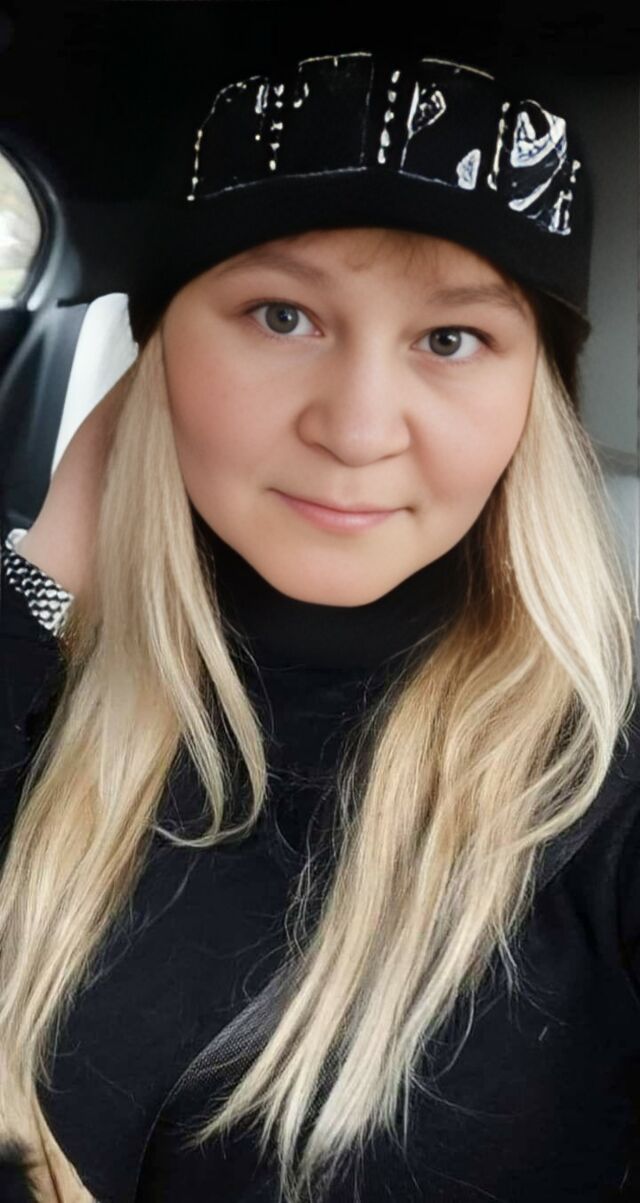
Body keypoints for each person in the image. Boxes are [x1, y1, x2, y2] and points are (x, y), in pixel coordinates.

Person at [0, 45, 638, 1203]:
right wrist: (51, 568)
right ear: (155, 357)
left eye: (451, 340)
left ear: (530, 397)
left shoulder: (605, 776)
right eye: (281, 315)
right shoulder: (46, 678)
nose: (356, 429)